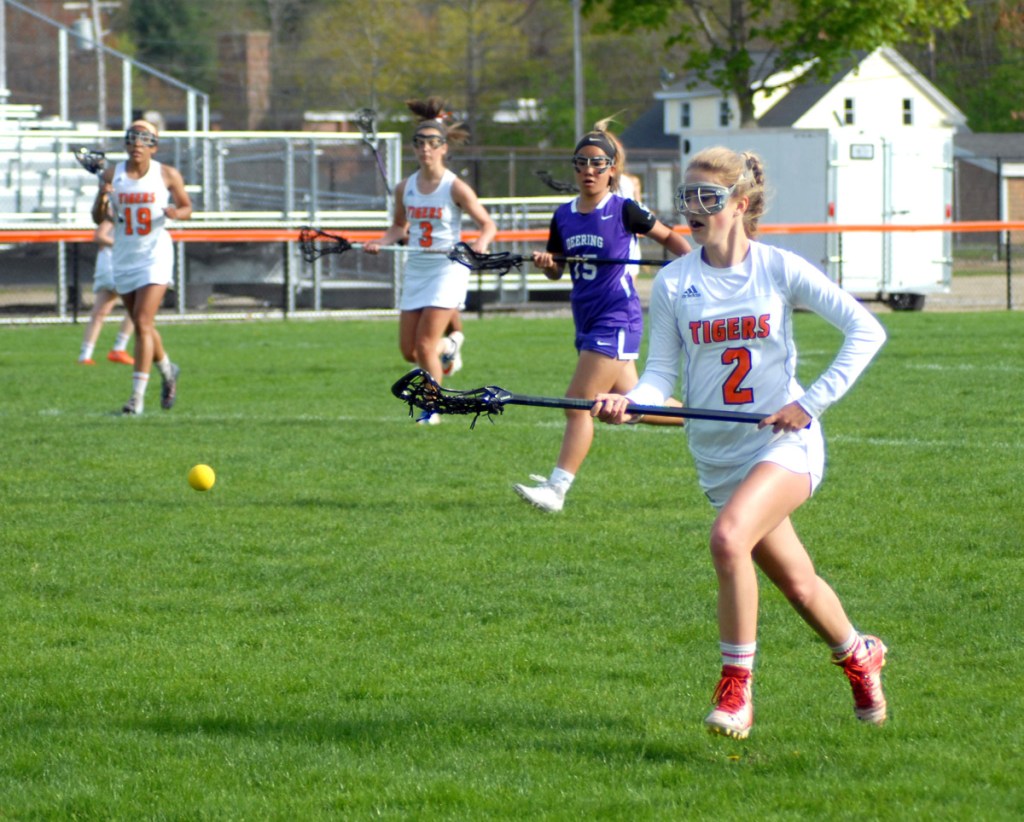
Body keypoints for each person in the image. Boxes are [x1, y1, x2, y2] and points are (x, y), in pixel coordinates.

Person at [591, 146, 889, 739]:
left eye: (708, 198)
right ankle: (860, 654)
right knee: (798, 584)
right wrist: (631, 403)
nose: (694, 209)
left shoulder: (777, 268)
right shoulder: (676, 282)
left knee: (728, 540)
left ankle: (735, 691)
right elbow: (658, 377)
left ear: (741, 204)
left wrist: (810, 403)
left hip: (785, 445)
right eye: (687, 198)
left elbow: (866, 328)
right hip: (717, 456)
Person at [513, 120, 692, 512]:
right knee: (630, 406)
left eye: (598, 163)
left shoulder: (624, 209)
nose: (589, 170)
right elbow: (558, 269)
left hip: (618, 317)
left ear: (613, 169)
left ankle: (556, 490)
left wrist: (697, 269)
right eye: (581, 163)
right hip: (586, 318)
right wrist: (548, 264)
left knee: (578, 401)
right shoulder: (563, 216)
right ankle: (711, 421)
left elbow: (672, 238)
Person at [365, 97, 496, 424]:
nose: (425, 149)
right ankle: (449, 348)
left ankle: (432, 408)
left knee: (424, 345)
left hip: (447, 269)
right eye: (419, 143)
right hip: (418, 268)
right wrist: (380, 242)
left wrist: (480, 241)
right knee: (409, 351)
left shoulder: (455, 187)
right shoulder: (404, 188)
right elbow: (399, 227)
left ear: (443, 148)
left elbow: (488, 223)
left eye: (432, 143)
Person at [92, 118, 192, 415]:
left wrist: (176, 212)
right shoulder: (113, 174)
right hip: (125, 255)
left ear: (154, 146)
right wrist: (103, 194)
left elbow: (187, 206)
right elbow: (99, 218)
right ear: (126, 143)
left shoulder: (166, 174)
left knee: (143, 322)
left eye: (144, 139)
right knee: (140, 323)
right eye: (133, 138)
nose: (138, 144)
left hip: (156, 254)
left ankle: (136, 399)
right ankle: (168, 370)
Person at [77, 216, 135, 366]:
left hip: (111, 266)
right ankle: (119, 348)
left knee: (100, 312)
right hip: (115, 265)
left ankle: (85, 356)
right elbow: (100, 235)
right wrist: (122, 245)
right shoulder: (117, 208)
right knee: (138, 308)